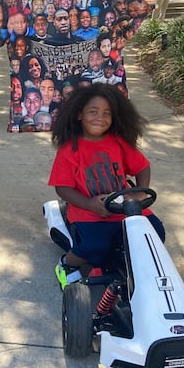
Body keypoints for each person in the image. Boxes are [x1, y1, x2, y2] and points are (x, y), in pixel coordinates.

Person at [48, 84, 165, 289]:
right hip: (89, 211)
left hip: (124, 207)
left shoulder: (118, 142)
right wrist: (89, 204)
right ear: (79, 115)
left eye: (106, 113)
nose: (100, 117)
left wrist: (138, 193)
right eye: (93, 112)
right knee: (94, 247)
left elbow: (142, 167)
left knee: (156, 233)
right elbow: (62, 188)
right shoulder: (69, 150)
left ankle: (124, 264)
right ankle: (66, 265)